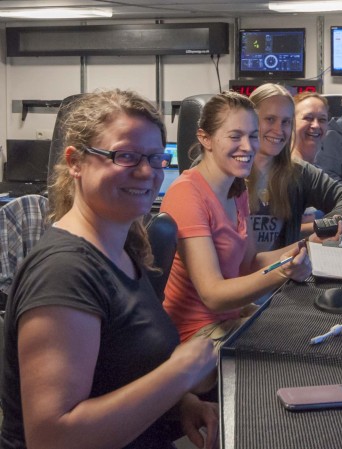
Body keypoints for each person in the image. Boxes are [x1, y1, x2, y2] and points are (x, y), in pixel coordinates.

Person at [0, 89, 218, 449]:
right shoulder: (64, 271)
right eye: (126, 156)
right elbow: (54, 438)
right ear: (75, 162)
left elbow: (118, 370)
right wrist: (179, 375)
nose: (147, 172)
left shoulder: (124, 249)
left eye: (155, 158)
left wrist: (180, 404)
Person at [160, 91, 315, 344]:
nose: (248, 146)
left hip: (226, 319)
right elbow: (213, 295)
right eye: (235, 136)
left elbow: (249, 263)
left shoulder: (237, 189)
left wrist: (310, 247)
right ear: (205, 139)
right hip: (196, 336)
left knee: (306, 329)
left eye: (253, 136)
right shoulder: (186, 194)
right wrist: (282, 272)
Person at [247, 83, 342, 245]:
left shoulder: (297, 171)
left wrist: (323, 227)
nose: (278, 130)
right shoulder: (228, 168)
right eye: (270, 119)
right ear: (249, 120)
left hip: (286, 266)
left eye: (286, 122)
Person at [291, 91, 329, 164]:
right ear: (291, 121)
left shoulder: (324, 165)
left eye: (322, 120)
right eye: (308, 118)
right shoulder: (285, 168)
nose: (316, 125)